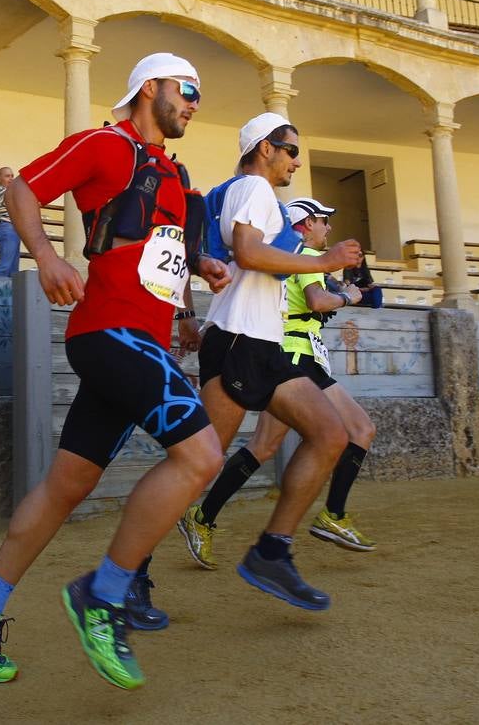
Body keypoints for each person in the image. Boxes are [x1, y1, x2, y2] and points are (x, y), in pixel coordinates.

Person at [0, 52, 231, 690]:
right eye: (187, 90)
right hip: (111, 334)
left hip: (140, 338)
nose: (193, 103)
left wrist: (195, 282)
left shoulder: (171, 171)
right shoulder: (105, 144)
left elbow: (156, 255)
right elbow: (22, 187)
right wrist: (44, 254)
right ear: (150, 87)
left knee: (65, 488)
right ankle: (103, 593)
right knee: (202, 457)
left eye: (198, 95)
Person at [176, 114, 363, 612]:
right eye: (291, 150)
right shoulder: (255, 190)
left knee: (332, 434)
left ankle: (272, 550)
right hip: (240, 338)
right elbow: (249, 253)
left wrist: (188, 314)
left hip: (261, 341)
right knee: (197, 464)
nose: (297, 161)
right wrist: (325, 263)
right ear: (265, 148)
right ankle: (130, 569)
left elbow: (228, 256)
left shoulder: (232, 191)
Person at [179, 196, 378, 570]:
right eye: (323, 220)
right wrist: (348, 296)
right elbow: (318, 301)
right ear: (305, 223)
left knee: (262, 446)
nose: (328, 228)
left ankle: (201, 517)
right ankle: (332, 514)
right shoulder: (304, 255)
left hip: (280, 352)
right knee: (359, 429)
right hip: (297, 355)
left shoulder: (291, 254)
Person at [0, 167, 20, 278]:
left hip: (12, 230)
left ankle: (5, 294)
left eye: (12, 176)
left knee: (12, 269)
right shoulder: (3, 191)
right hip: (7, 228)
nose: (11, 178)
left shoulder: (7, 191)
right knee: (5, 266)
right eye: (7, 176)